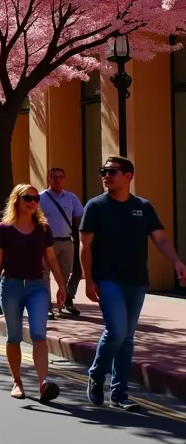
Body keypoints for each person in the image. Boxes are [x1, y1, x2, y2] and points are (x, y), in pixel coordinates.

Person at [82, 156, 186, 411]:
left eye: (111, 171)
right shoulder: (95, 206)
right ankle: (96, 374)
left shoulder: (143, 206)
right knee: (117, 331)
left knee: (127, 338)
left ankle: (119, 393)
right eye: (102, 171)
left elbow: (160, 239)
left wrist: (176, 261)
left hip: (137, 281)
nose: (105, 175)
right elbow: (85, 246)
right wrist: (88, 279)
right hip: (107, 279)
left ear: (128, 176)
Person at [0, 183, 68, 402]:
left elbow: (51, 259)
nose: (32, 202)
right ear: (16, 200)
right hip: (10, 286)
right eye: (27, 198)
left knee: (39, 334)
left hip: (37, 287)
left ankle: (43, 383)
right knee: (14, 337)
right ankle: (17, 381)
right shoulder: (3, 229)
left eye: (35, 199)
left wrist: (61, 286)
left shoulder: (43, 228)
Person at [40, 167, 84, 318]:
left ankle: (64, 302)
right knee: (44, 275)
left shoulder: (71, 198)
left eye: (60, 177)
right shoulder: (40, 198)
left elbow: (79, 218)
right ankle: (46, 307)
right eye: (54, 177)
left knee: (64, 275)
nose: (57, 180)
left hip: (66, 242)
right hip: (46, 244)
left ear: (64, 179)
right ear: (49, 179)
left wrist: (80, 240)